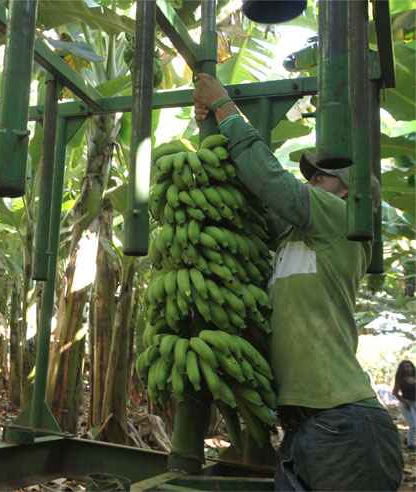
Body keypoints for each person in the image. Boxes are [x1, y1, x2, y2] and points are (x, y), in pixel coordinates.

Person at [192, 73, 403, 491]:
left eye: (318, 178)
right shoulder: (295, 240)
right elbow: (255, 198)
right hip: (308, 429)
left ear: (345, 193)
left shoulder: (342, 221)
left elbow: (274, 184)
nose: (308, 182)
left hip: (343, 422)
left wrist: (226, 107)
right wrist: (211, 127)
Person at [393, 359, 416, 450]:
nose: (408, 368)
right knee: (413, 425)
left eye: (409, 366)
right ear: (402, 369)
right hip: (406, 403)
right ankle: (411, 445)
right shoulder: (400, 379)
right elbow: (394, 392)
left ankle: (407, 439)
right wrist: (404, 401)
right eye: (406, 367)